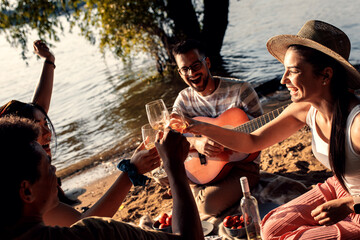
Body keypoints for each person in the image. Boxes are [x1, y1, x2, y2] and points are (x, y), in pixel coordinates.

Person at [183, 20, 360, 238]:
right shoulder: (304, 109)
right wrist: (198, 127)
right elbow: (252, 141)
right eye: (284, 71)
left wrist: (348, 205)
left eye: (293, 71)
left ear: (325, 75)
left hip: (355, 205)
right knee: (270, 228)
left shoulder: (357, 124)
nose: (284, 80)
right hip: (338, 187)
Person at [0, 41, 162, 227]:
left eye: (45, 124)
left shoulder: (18, 163)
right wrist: (131, 171)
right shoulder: (29, 191)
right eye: (37, 128)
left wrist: (49, 61)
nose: (48, 133)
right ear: (20, 140)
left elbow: (39, 108)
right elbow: (84, 227)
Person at [0, 116, 204, 240]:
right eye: (47, 165)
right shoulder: (96, 233)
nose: (55, 170)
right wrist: (174, 166)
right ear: (27, 191)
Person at [171, 39, 263, 216]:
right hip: (208, 167)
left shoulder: (241, 90)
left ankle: (197, 192)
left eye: (196, 65)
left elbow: (263, 133)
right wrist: (196, 144)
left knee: (207, 206)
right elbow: (170, 137)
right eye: (185, 69)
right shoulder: (183, 99)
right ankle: (198, 186)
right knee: (162, 171)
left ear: (207, 63)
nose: (192, 73)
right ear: (180, 73)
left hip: (242, 167)